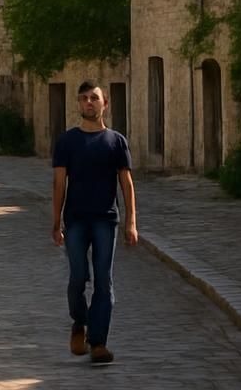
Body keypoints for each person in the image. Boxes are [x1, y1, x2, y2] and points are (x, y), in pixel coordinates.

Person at [52, 80, 138, 366]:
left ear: (105, 104)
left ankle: (98, 342)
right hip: (75, 219)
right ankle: (79, 321)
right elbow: (59, 183)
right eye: (84, 98)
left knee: (104, 280)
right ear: (78, 103)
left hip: (106, 219)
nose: (90, 102)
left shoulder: (116, 141)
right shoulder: (67, 141)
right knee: (78, 277)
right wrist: (55, 221)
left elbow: (126, 183)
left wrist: (131, 222)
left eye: (95, 98)